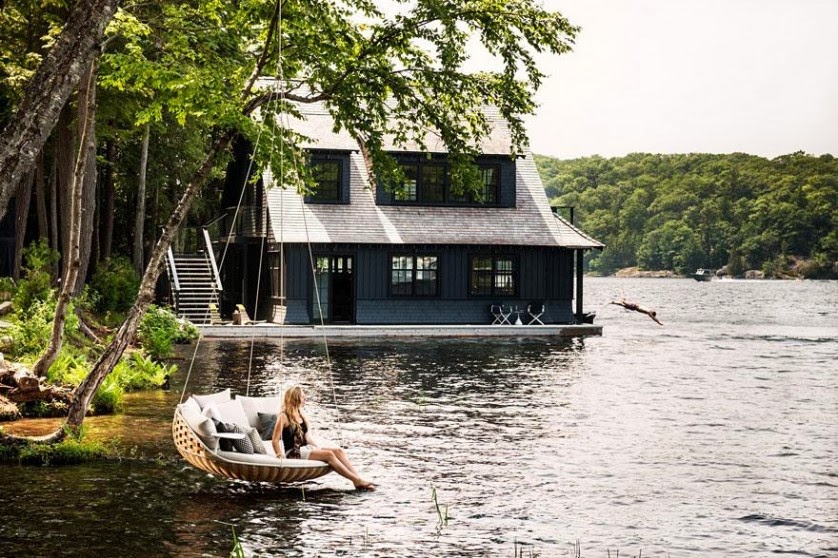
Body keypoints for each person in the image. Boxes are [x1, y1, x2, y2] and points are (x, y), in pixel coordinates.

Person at [272, 385, 375, 491]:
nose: (305, 399)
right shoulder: (283, 416)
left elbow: (307, 437)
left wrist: (318, 448)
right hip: (294, 452)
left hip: (306, 449)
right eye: (302, 397)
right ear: (295, 398)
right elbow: (275, 440)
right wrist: (279, 455)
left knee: (338, 451)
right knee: (329, 455)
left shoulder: (300, 413)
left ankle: (358, 481)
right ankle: (356, 480)